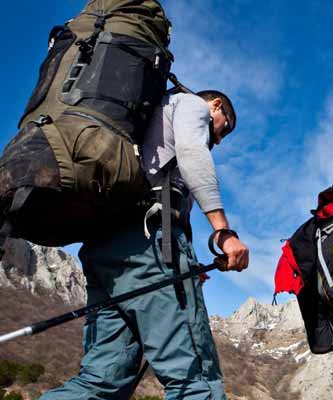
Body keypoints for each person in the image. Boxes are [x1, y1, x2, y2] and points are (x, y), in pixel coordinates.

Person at [40, 89, 250, 400]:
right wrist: (223, 231)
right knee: (195, 381)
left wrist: (187, 263)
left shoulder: (145, 117)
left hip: (104, 249)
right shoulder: (190, 104)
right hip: (150, 246)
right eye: (224, 128)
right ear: (216, 105)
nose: (219, 139)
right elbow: (193, 153)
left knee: (100, 384)